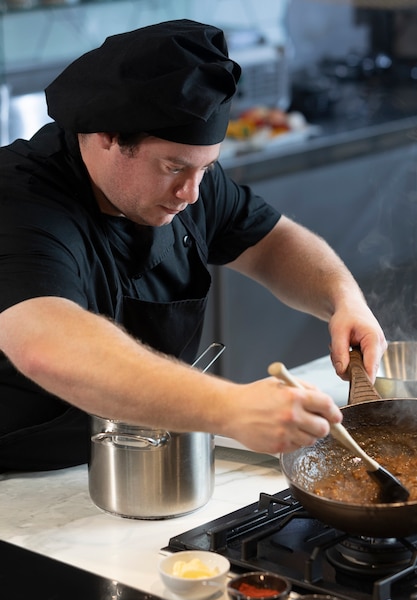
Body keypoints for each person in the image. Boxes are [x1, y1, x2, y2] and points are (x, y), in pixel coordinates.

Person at [0, 19, 386, 472]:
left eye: (206, 169)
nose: (193, 194)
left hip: (134, 463)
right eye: (173, 167)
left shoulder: (189, 179)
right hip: (19, 489)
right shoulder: (20, 201)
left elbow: (273, 242)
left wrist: (344, 301)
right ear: (105, 135)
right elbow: (48, 346)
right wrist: (231, 408)